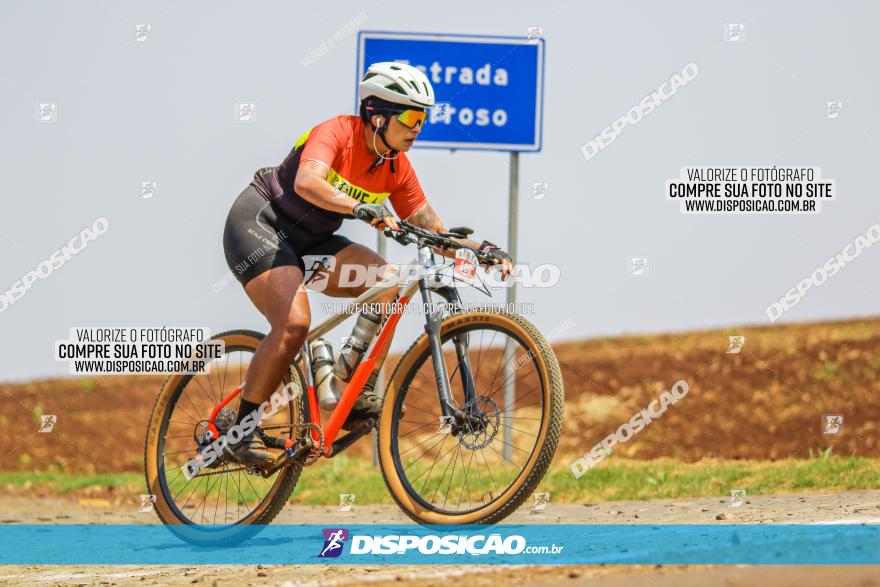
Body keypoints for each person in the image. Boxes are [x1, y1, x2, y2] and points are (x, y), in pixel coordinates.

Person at [221, 62, 513, 465]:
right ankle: (240, 430)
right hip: (261, 226)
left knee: (388, 284)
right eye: (410, 117)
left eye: (423, 119)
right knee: (294, 323)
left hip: (313, 243)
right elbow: (308, 181)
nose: (418, 128)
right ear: (378, 116)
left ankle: (348, 385)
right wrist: (361, 206)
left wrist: (479, 249)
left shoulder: (396, 166)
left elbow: (432, 229)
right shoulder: (336, 132)